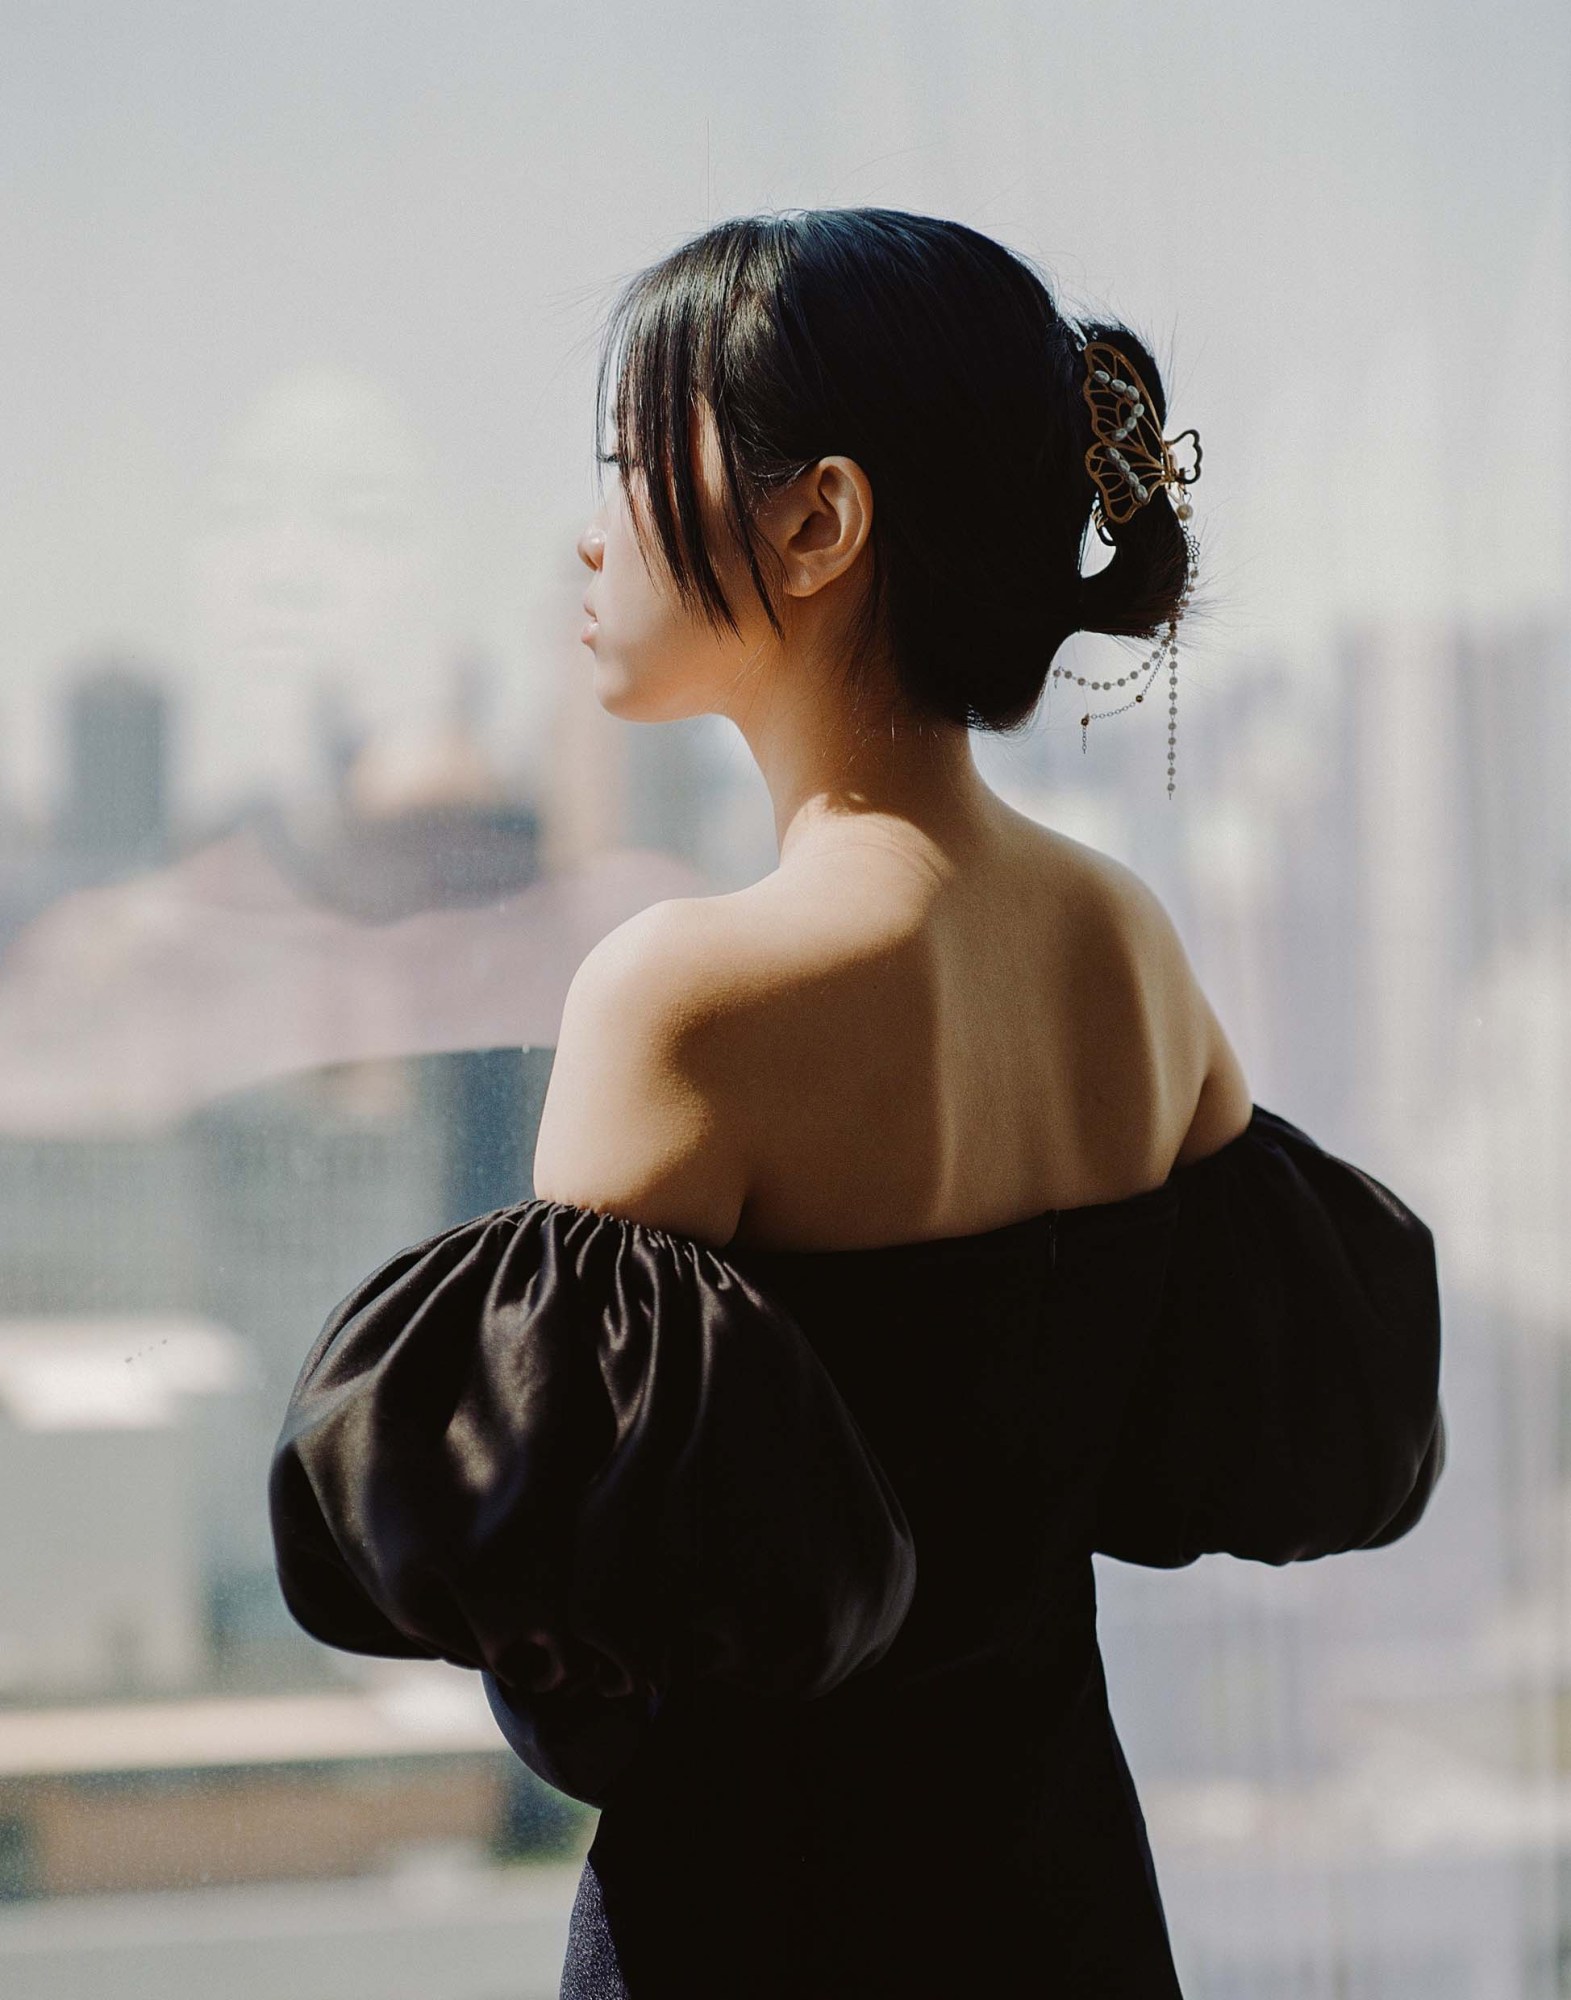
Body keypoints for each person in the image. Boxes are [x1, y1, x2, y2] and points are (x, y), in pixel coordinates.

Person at [268, 209, 1447, 1996]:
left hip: (756, 1939)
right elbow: (1276, 1433)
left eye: (621, 460)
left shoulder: (689, 995)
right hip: (1066, 1915)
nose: (588, 531)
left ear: (819, 520)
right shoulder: (1124, 940)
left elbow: (586, 1660)